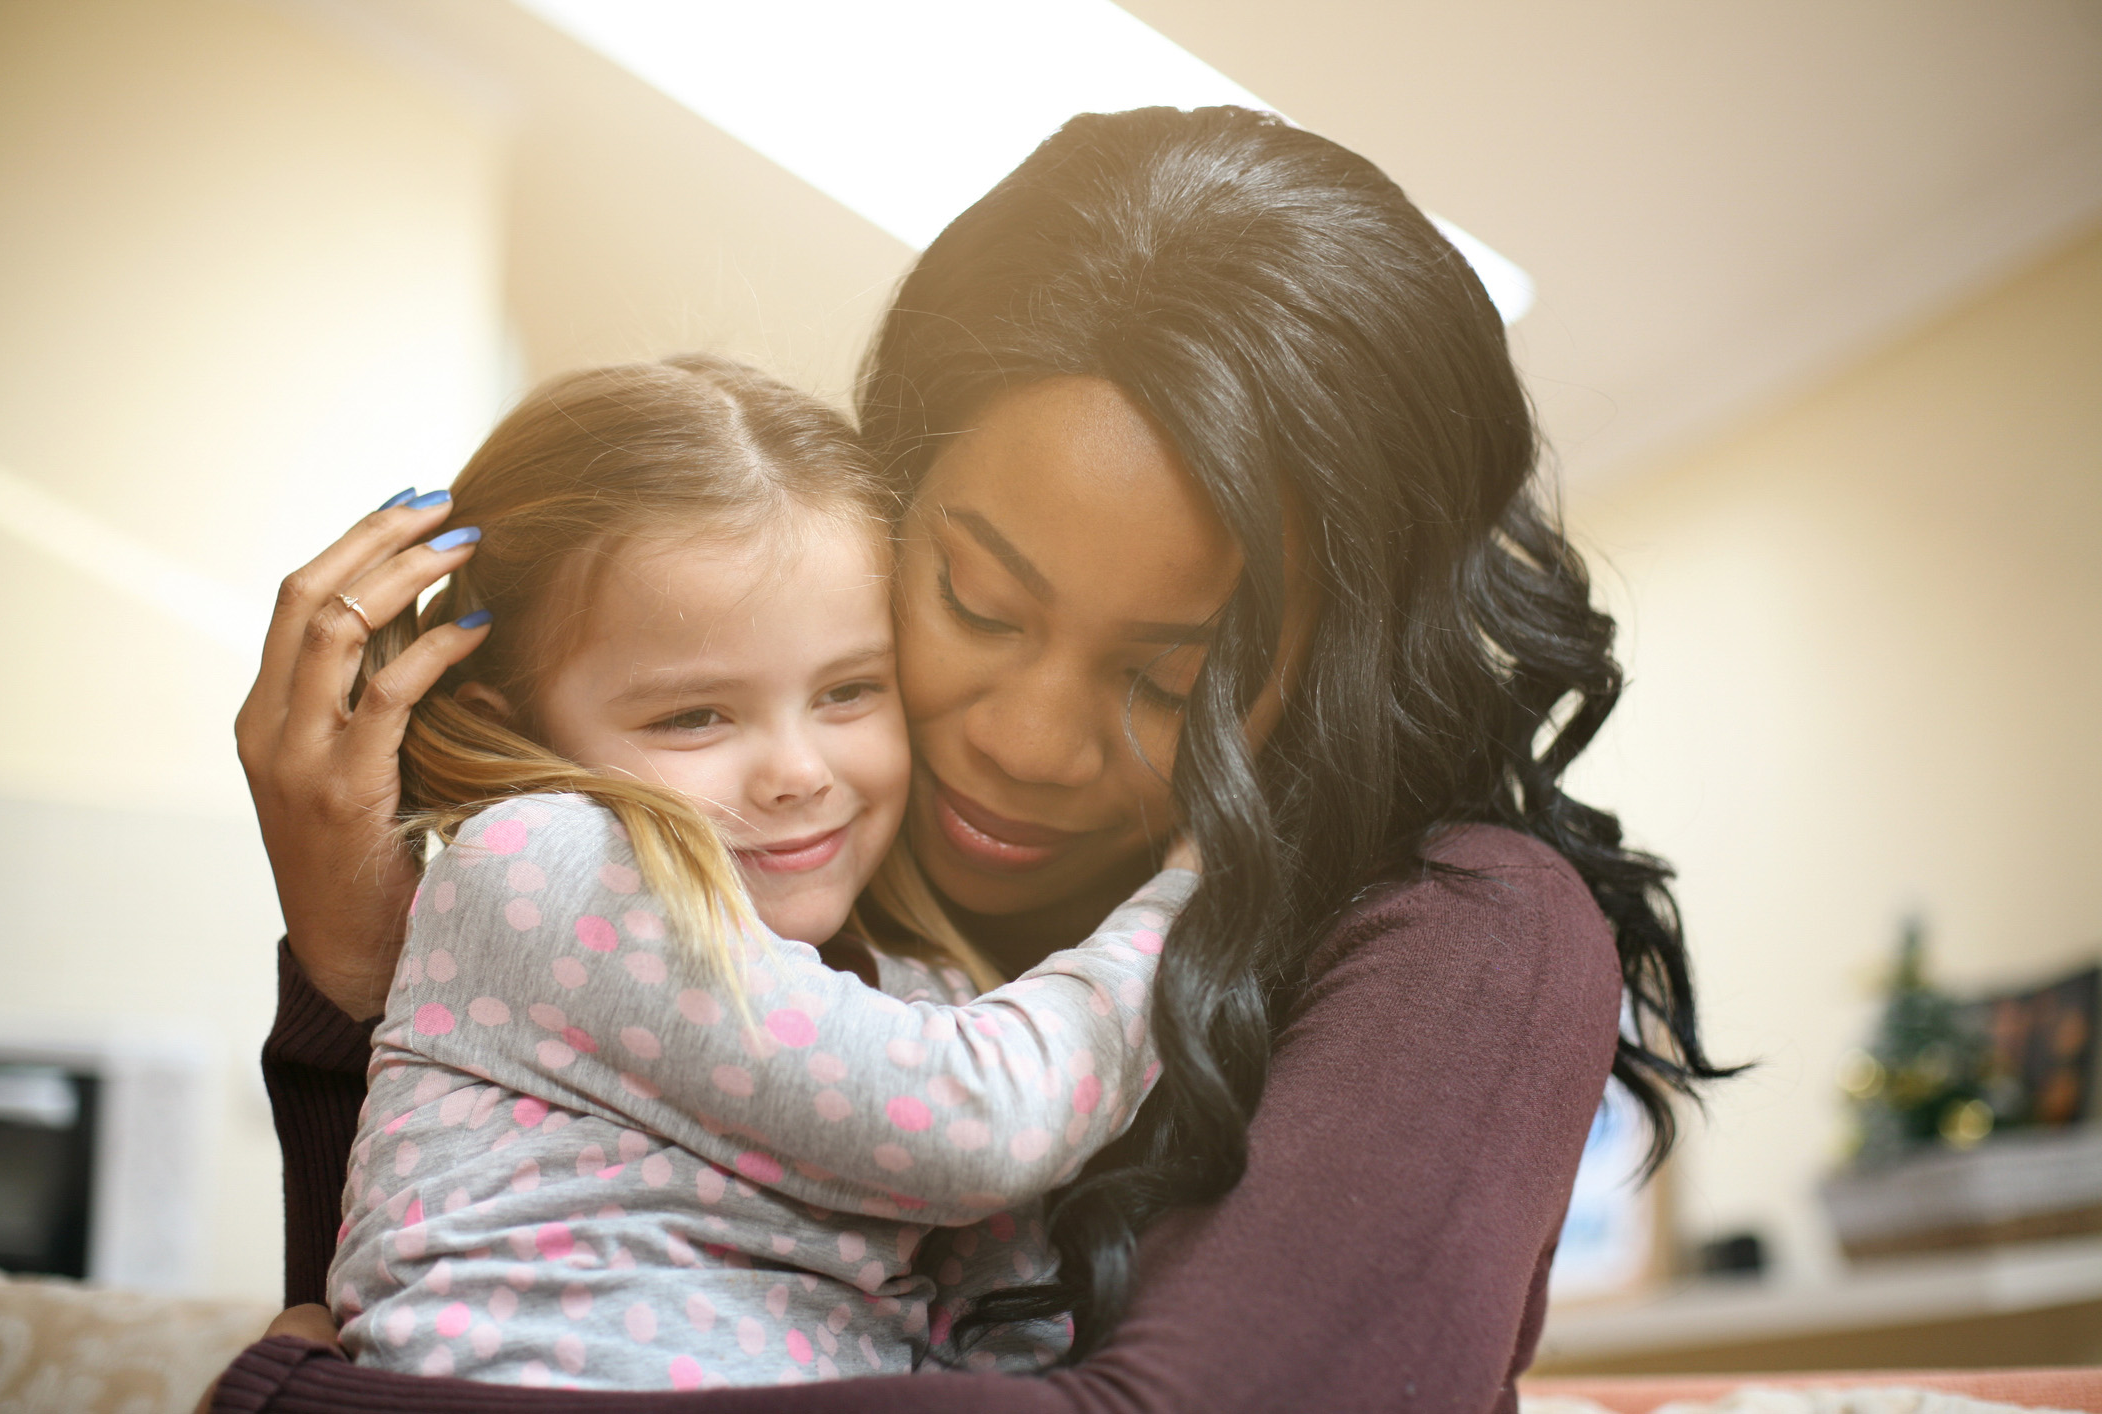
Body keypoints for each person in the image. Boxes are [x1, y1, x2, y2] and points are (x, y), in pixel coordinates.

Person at [215, 106, 1727, 1414]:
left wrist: (303, 1399)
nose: (1022, 738)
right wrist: (364, 978)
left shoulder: (1467, 934)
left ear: (1339, 674)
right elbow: (480, 1310)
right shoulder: (790, 881)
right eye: (976, 602)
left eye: (1167, 675)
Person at [327, 355, 1196, 1389]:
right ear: (516, 730)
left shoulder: (928, 999)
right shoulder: (532, 861)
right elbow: (987, 1126)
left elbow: (1005, 1338)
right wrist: (1208, 881)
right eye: (694, 715)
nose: (796, 772)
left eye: (848, 690)